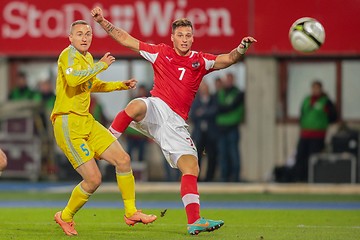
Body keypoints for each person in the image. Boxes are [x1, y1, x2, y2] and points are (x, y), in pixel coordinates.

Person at [92, 7, 256, 235]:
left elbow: (228, 59)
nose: (185, 39)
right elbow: (127, 39)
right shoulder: (161, 52)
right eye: (180, 35)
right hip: (157, 107)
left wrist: (241, 48)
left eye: (188, 35)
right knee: (136, 106)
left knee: (191, 168)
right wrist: (102, 22)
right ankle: (105, 143)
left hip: (176, 123)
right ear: (172, 37)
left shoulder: (200, 61)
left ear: (192, 38)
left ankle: (194, 221)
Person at [51, 20, 156, 236]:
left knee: (123, 160)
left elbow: (92, 84)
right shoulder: (67, 55)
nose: (84, 37)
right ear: (70, 38)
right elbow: (72, 80)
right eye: (79, 34)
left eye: (87, 33)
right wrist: (101, 65)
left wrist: (120, 84)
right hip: (68, 123)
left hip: (86, 120)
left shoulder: (87, 58)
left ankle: (131, 212)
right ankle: (65, 216)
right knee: (94, 180)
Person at [292, 80, 337, 182]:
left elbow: (333, 117)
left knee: (312, 158)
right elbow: (302, 114)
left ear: (321, 89)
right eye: (313, 88)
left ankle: (311, 179)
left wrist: (321, 123)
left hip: (318, 135)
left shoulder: (326, 101)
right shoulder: (306, 100)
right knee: (300, 156)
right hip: (304, 134)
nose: (315, 90)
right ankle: (299, 179)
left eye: (317, 88)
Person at [216, 73, 244, 182]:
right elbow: (219, 107)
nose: (228, 82)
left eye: (230, 80)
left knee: (233, 154)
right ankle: (224, 178)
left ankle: (236, 178)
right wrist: (225, 108)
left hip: (232, 127)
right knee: (222, 154)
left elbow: (230, 107)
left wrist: (224, 108)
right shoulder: (221, 93)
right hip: (222, 127)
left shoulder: (238, 93)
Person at [190, 81, 218, 181]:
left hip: (210, 134)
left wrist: (202, 112)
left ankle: (209, 178)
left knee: (212, 155)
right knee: (198, 156)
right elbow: (192, 115)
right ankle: (197, 177)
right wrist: (205, 113)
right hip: (199, 133)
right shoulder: (196, 101)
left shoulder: (213, 99)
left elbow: (214, 111)